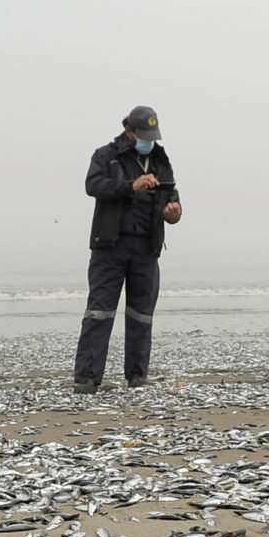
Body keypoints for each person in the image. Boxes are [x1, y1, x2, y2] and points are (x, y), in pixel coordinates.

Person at [74, 105, 182, 390]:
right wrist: (130, 186)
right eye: (144, 135)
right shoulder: (106, 156)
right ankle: (87, 377)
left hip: (147, 247)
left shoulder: (160, 159)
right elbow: (93, 185)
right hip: (110, 246)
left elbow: (173, 196)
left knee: (141, 313)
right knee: (100, 311)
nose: (149, 141)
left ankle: (137, 375)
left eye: (152, 135)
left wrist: (173, 212)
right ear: (129, 130)